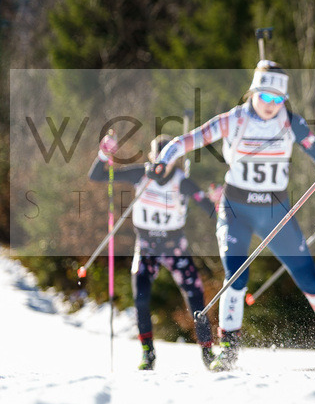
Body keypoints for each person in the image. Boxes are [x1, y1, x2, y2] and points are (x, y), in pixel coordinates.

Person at [150, 60, 315, 370]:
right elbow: (185, 142)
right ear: (253, 93)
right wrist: (164, 159)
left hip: (276, 212)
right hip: (236, 210)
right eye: (265, 97)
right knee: (235, 276)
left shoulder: (291, 122)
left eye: (278, 99)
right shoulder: (233, 120)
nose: (271, 105)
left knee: (308, 277)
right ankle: (229, 348)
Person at [88, 132, 218, 370]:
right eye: (157, 156)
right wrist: (104, 154)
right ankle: (148, 353)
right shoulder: (141, 175)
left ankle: (208, 352)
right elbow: (97, 176)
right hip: (146, 246)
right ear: (151, 156)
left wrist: (217, 201)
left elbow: (210, 208)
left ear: (173, 158)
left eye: (166, 157)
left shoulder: (181, 181)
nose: (160, 163)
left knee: (195, 297)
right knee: (141, 297)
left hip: (174, 248)